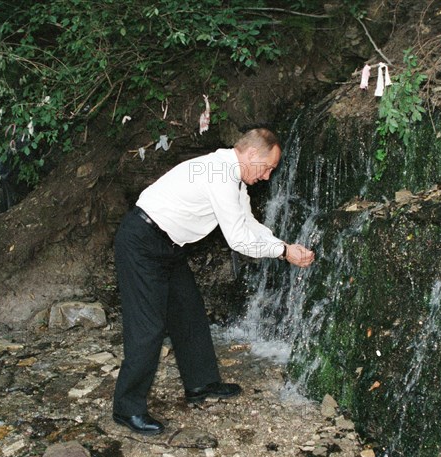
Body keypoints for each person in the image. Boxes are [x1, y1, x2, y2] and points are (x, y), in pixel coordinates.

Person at [112, 128, 315, 435]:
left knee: (188, 311)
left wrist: (283, 245)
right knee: (147, 328)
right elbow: (238, 240)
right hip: (142, 241)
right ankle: (127, 409)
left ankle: (201, 384)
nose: (267, 177)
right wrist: (283, 252)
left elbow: (248, 223)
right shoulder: (219, 175)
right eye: (267, 168)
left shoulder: (231, 176)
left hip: (169, 244)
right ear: (249, 154)